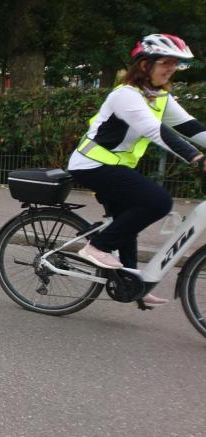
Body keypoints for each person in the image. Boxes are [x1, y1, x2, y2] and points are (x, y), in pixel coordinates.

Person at [68, 34, 206, 306]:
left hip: (115, 167)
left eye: (176, 64)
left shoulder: (159, 97)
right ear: (144, 65)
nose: (172, 69)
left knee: (127, 224)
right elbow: (156, 131)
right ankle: (97, 247)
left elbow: (191, 128)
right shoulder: (125, 95)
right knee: (158, 201)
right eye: (166, 63)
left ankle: (132, 285)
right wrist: (197, 158)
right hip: (92, 165)